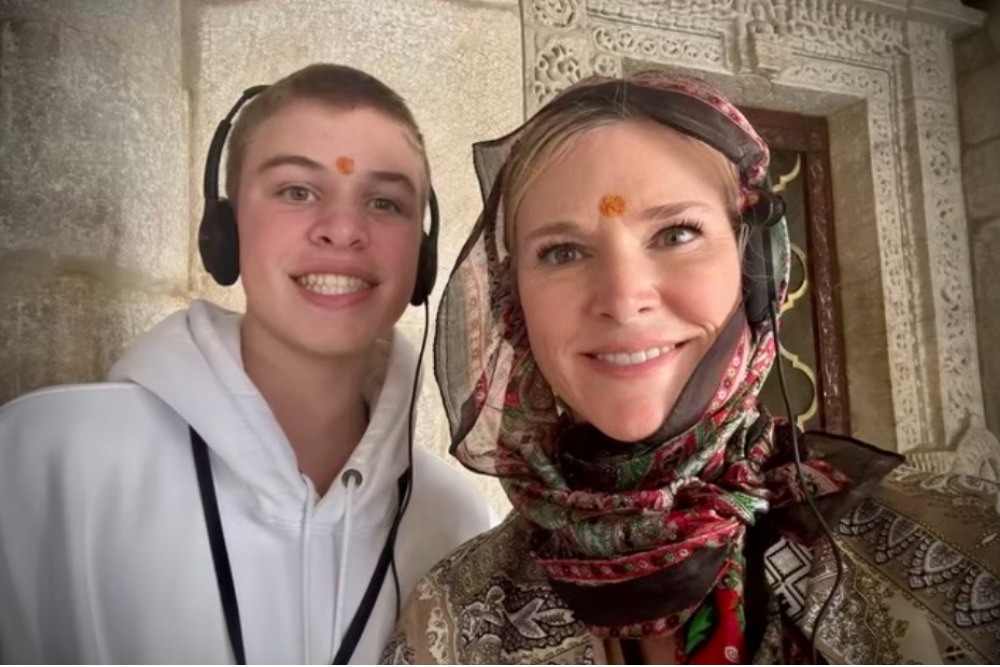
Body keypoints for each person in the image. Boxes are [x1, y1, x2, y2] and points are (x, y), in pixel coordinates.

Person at [383, 71, 1000, 664]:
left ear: (756, 264)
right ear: (512, 303)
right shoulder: (449, 624)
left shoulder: (968, 546)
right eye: (563, 251)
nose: (624, 298)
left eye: (676, 233)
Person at [0, 63, 493, 663]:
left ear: (423, 256)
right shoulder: (46, 457)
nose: (343, 229)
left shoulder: (454, 522)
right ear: (224, 230)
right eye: (297, 191)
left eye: (384, 202)